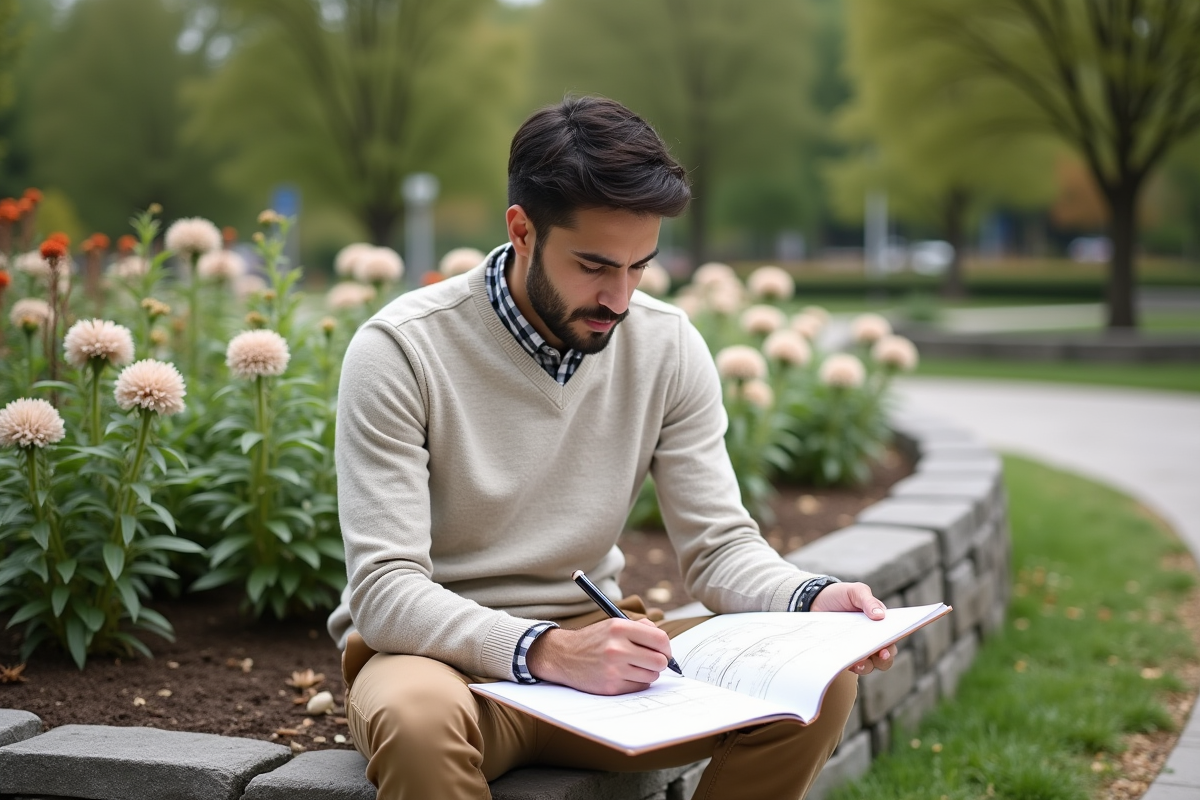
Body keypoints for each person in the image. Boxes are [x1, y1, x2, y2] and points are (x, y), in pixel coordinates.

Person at [327, 95, 896, 800]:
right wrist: (547, 652)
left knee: (816, 687)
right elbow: (384, 592)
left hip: (603, 655)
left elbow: (719, 548)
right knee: (414, 723)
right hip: (441, 664)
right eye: (595, 265)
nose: (620, 299)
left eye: (639, 268)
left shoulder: (667, 345)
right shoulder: (401, 350)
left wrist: (810, 600)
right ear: (522, 230)